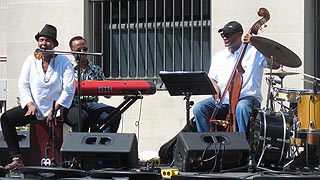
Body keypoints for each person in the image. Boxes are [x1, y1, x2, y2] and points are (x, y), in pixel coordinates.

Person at [0, 24, 75, 170]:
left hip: (58, 109)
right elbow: (23, 84)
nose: (44, 43)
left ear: (54, 44)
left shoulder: (64, 61)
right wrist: (29, 104)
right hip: (35, 109)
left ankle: (74, 160)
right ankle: (17, 159)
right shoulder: (31, 60)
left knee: (81, 118)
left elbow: (69, 89)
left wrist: (55, 109)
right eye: (41, 40)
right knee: (6, 118)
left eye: (47, 40)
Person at [193, 21, 279, 134]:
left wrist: (257, 44)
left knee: (241, 108)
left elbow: (275, 65)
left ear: (240, 34)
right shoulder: (219, 56)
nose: (225, 37)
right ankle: (205, 143)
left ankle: (244, 146)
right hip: (224, 100)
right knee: (199, 108)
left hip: (247, 98)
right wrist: (214, 86)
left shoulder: (255, 52)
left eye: (228, 34)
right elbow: (212, 78)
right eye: (223, 34)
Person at [62, 36, 121, 133]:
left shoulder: (95, 69)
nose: (82, 52)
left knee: (114, 114)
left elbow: (108, 94)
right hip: (73, 106)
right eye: (78, 50)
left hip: (91, 105)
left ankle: (103, 143)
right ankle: (79, 146)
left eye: (85, 49)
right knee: (81, 118)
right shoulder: (67, 68)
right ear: (72, 52)